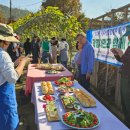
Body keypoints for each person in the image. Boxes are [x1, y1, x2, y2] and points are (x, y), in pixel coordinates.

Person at [0, 23, 31, 130]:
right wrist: (23, 62)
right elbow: (12, 77)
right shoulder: (3, 55)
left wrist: (14, 63)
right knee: (7, 124)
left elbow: (2, 70)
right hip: (4, 98)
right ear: (5, 41)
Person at [111, 25, 130, 128]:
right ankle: (126, 124)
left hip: (128, 80)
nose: (128, 37)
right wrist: (117, 55)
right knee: (124, 103)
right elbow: (124, 61)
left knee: (128, 103)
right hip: (125, 78)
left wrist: (122, 55)